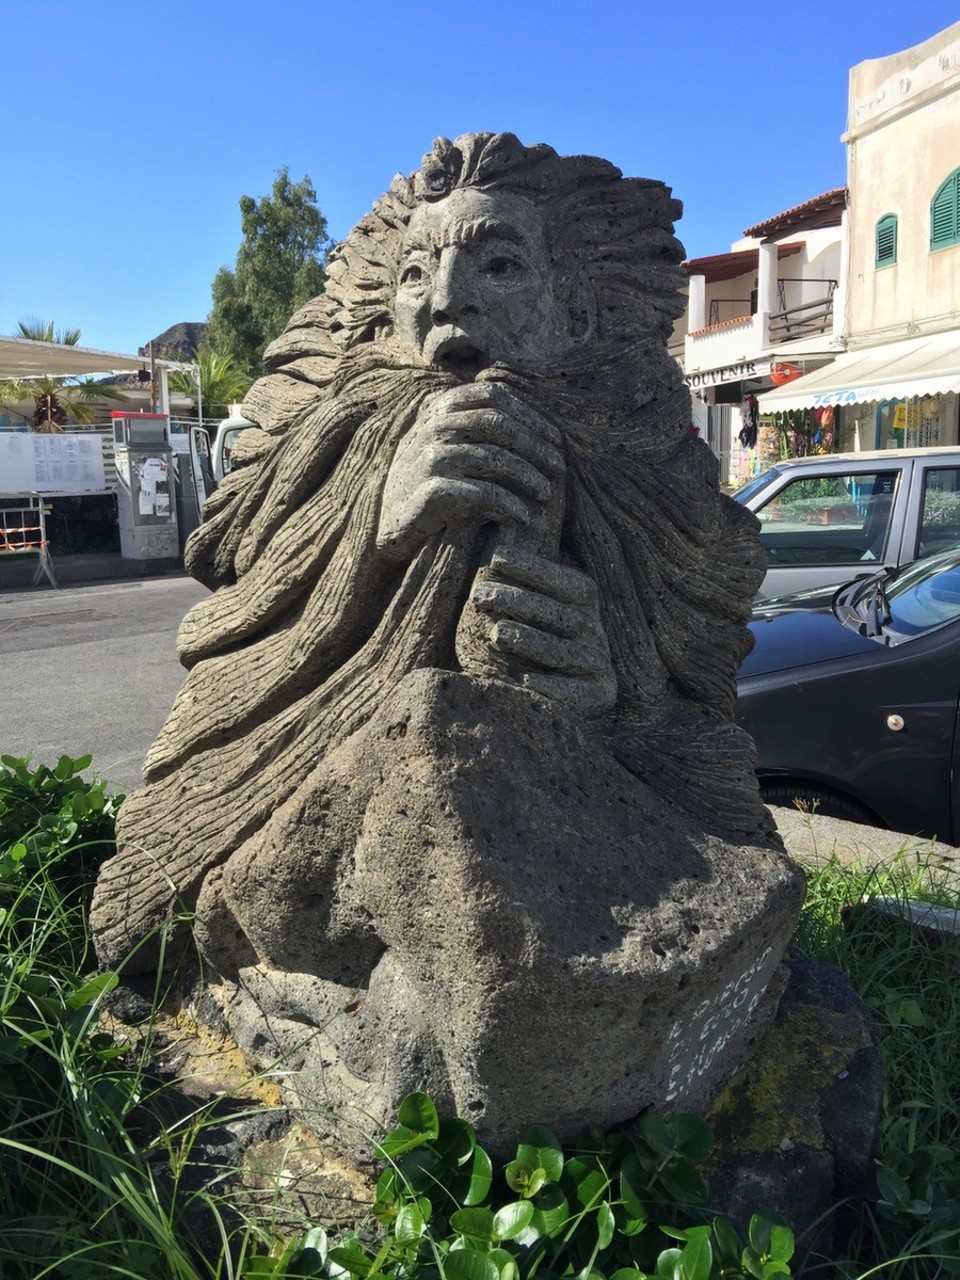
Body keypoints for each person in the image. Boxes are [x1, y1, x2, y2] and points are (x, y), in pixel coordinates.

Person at [91, 134, 770, 974]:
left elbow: (705, 740)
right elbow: (239, 606)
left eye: (500, 267)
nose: (449, 299)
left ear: (577, 311)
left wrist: (618, 691)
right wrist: (372, 524)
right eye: (416, 274)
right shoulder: (337, 443)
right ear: (386, 315)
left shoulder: (650, 492)